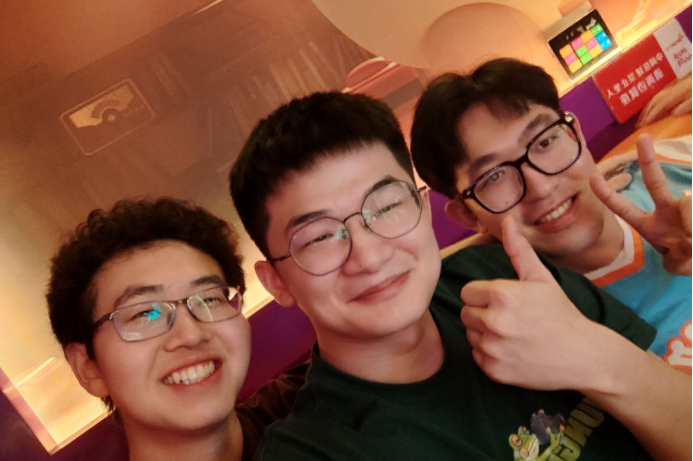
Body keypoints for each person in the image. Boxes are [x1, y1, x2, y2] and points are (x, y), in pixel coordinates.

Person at [229, 91, 689, 461]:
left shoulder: (501, 273)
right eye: (319, 237)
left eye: (386, 207)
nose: (369, 256)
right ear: (277, 283)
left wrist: (594, 355)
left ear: (421, 206)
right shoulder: (313, 451)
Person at [410, 59, 692, 368]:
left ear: (575, 134)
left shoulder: (677, 165)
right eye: (494, 176)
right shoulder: (529, 333)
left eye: (545, 142)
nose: (541, 187)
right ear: (468, 216)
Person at [47, 198, 275, 461]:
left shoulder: (310, 412)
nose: (191, 334)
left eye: (209, 299)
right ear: (88, 367)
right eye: (145, 314)